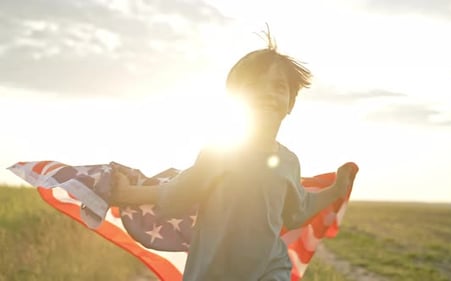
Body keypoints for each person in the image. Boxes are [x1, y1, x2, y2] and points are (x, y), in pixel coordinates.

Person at [110, 31, 358, 281]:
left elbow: (297, 212)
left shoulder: (289, 162)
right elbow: (177, 193)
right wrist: (128, 194)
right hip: (212, 272)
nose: (268, 94)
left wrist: (335, 190)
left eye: (279, 87)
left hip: (270, 270)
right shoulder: (220, 153)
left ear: (291, 103)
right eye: (255, 86)